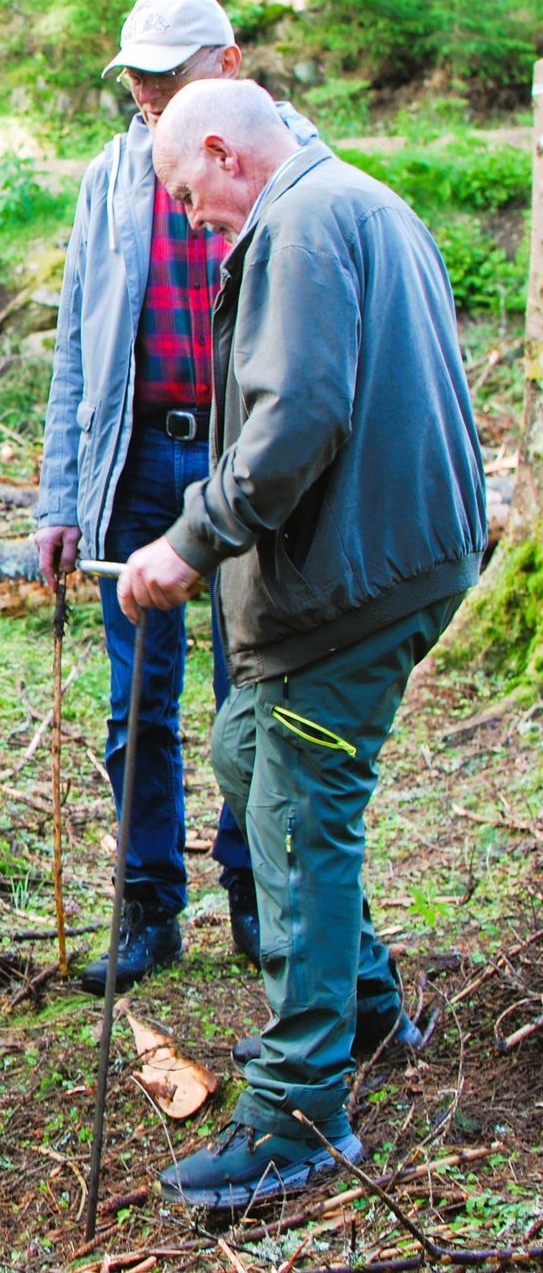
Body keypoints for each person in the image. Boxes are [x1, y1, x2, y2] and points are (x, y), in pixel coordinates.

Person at [126, 79, 485, 1208]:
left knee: (290, 805)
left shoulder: (302, 223)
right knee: (248, 751)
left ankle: (298, 1111)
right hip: (393, 557)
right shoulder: (356, 200)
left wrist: (191, 541)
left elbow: (298, 417)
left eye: (190, 196)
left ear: (227, 153)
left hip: (357, 578)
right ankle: (367, 999)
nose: (191, 221)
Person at [34, 0, 320, 994]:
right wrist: (61, 494)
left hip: (247, 466)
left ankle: (258, 896)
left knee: (253, 687)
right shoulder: (113, 175)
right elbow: (78, 345)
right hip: (140, 458)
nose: (152, 96)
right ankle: (149, 904)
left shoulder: (295, 168)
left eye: (171, 75)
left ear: (228, 66)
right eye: (140, 79)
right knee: (136, 701)